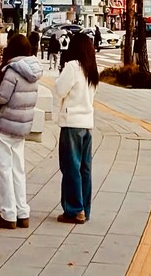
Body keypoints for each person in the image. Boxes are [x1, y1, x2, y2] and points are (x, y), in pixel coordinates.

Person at [0, 34, 43, 230]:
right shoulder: (34, 71)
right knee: (18, 169)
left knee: (4, 169)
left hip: (5, 125)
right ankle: (22, 212)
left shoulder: (11, 70)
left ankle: (8, 213)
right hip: (22, 126)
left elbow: (1, 98)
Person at [54, 32, 98, 225]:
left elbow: (59, 90)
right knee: (84, 168)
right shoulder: (91, 69)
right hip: (87, 124)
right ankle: (84, 209)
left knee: (70, 167)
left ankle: (74, 209)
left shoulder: (72, 67)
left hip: (71, 123)